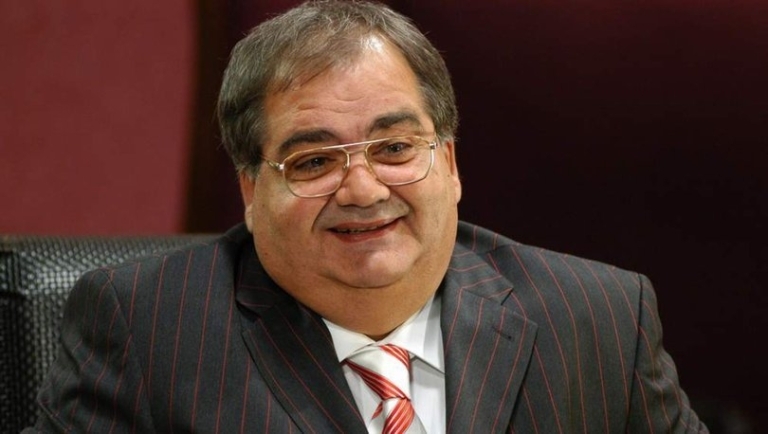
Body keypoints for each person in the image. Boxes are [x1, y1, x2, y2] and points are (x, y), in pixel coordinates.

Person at [24, 0, 708, 432]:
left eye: (395, 148)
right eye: (315, 161)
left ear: (449, 164)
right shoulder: (148, 330)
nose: (362, 188)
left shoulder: (600, 317)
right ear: (251, 191)